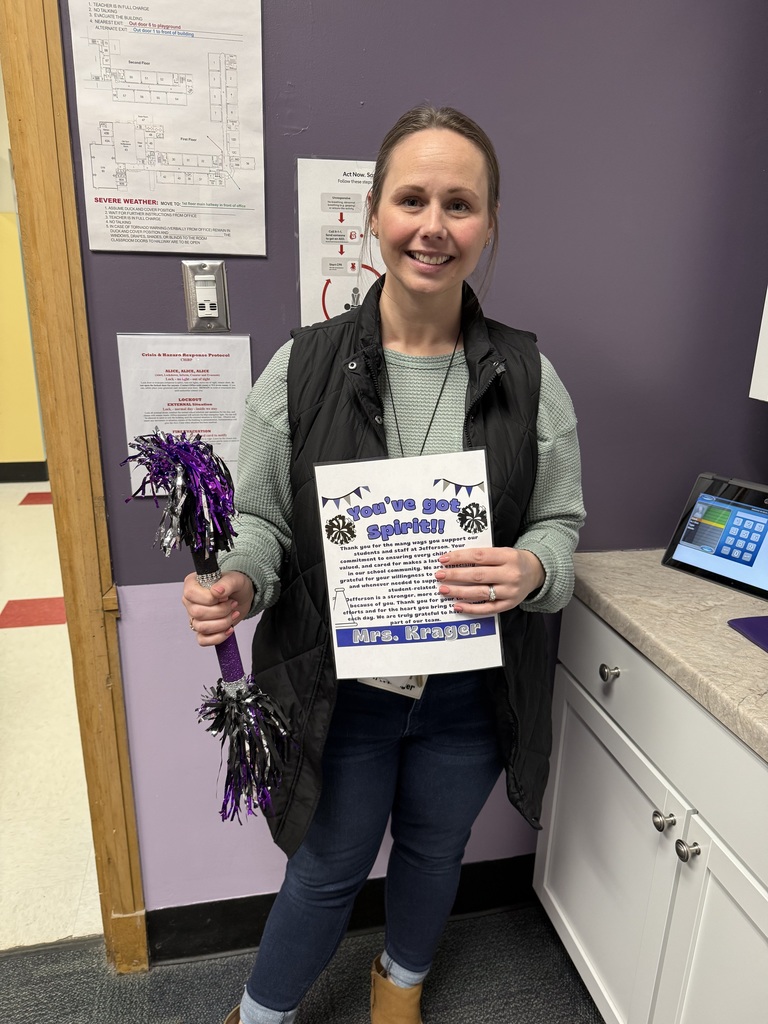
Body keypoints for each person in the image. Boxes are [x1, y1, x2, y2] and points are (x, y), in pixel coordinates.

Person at [182, 105, 585, 1024]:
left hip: (467, 695)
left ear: (489, 225)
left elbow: (560, 521)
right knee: (324, 869)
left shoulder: (530, 376)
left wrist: (531, 570)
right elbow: (260, 521)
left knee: (436, 853)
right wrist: (244, 580)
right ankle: (262, 1014)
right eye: (411, 199)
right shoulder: (301, 367)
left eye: (460, 203)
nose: (433, 226)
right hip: (341, 687)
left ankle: (399, 986)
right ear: (373, 213)